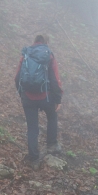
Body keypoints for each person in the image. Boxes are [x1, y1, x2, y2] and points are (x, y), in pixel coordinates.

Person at [14, 35, 63, 170]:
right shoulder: (49, 55)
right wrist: (58, 98)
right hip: (46, 97)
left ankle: (34, 158)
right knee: (52, 117)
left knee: (32, 128)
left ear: (34, 41)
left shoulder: (26, 54)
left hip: (28, 97)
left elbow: (17, 77)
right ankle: (52, 145)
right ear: (46, 42)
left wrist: (22, 94)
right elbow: (55, 79)